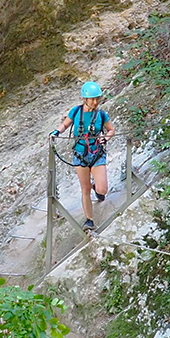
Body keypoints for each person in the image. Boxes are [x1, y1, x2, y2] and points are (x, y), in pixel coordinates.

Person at [52, 81, 113, 231]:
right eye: (92, 99)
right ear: (84, 99)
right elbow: (65, 124)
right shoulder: (76, 112)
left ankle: (97, 189)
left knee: (103, 189)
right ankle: (89, 220)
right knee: (85, 189)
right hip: (80, 155)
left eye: (97, 98)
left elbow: (111, 130)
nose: (95, 102)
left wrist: (106, 138)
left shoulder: (102, 115)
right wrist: (56, 132)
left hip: (97, 153)